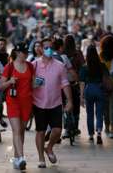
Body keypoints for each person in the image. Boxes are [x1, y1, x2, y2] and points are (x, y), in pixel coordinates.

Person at [32, 39, 73, 168]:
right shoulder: (34, 65)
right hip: (38, 104)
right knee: (40, 131)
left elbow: (65, 83)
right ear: (40, 49)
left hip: (55, 103)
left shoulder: (60, 65)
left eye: (50, 47)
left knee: (57, 130)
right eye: (45, 47)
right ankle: (41, 158)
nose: (48, 50)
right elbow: (27, 83)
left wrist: (70, 101)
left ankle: (49, 148)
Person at [0, 42, 34, 170]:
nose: (26, 55)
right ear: (18, 53)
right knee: (16, 130)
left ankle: (16, 160)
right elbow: (0, 86)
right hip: (13, 101)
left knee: (21, 131)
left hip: (27, 102)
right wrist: (10, 81)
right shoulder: (9, 67)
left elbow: (33, 84)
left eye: (26, 53)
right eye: (24, 52)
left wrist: (39, 83)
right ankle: (22, 157)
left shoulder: (30, 66)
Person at [79, 45, 107, 144]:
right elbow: (106, 77)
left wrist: (81, 96)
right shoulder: (102, 65)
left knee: (89, 114)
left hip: (88, 89)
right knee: (99, 113)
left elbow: (82, 82)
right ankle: (99, 132)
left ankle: (91, 135)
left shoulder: (84, 67)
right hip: (99, 89)